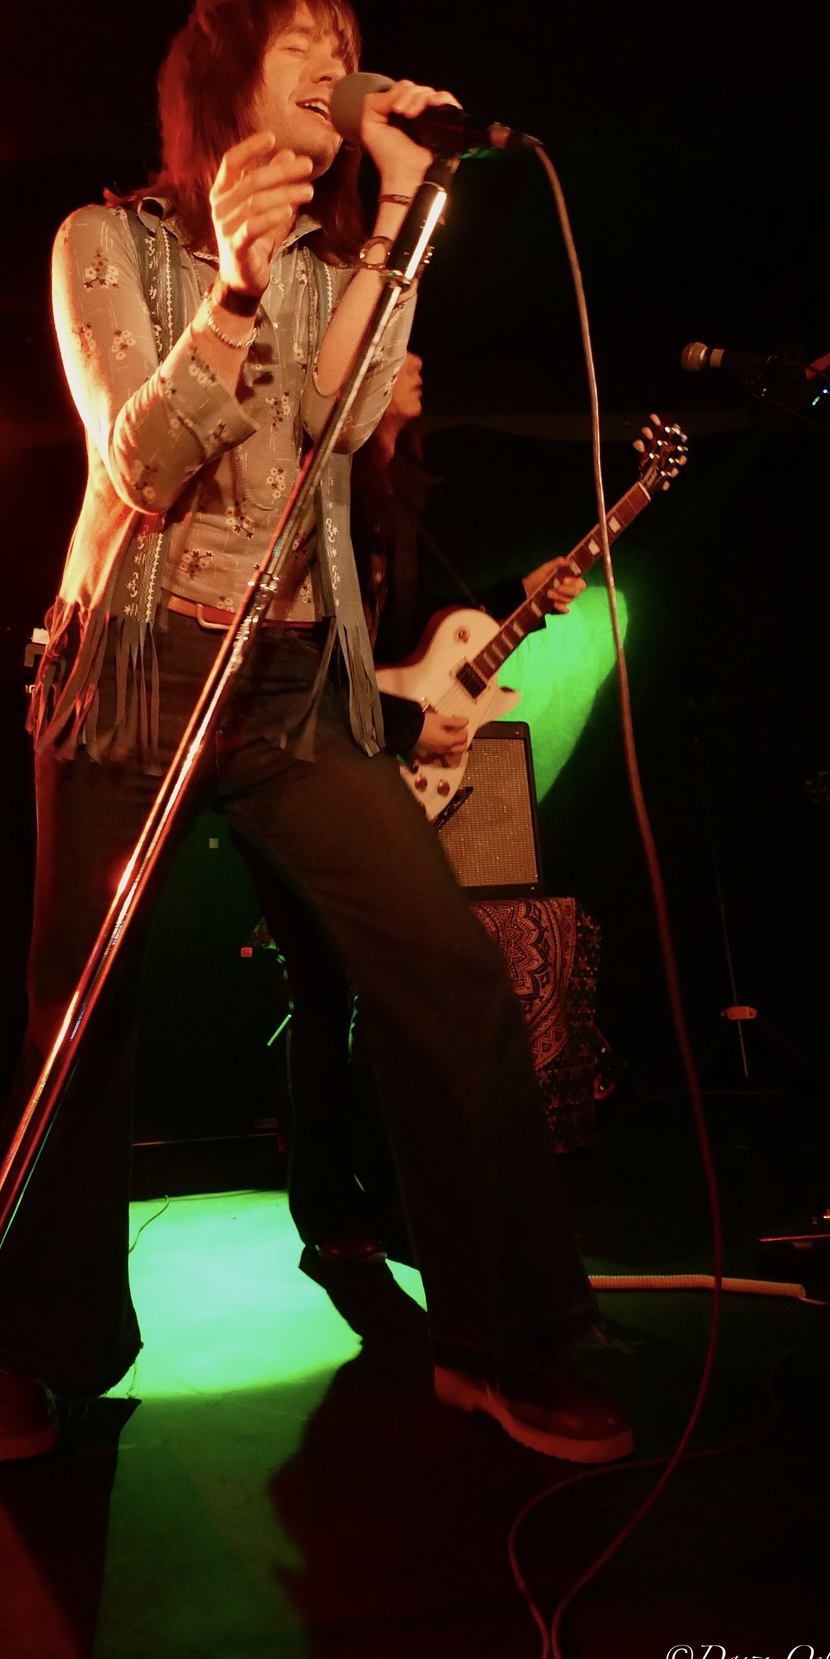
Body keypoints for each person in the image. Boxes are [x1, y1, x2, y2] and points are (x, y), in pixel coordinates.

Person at [0, 0, 631, 1469]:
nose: (337, 65)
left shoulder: (337, 262)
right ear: (226, 84)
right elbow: (142, 465)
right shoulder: (102, 244)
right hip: (133, 673)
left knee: (446, 973)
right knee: (80, 1015)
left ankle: (501, 1339)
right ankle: (33, 1352)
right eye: (303, 47)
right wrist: (234, 288)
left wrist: (396, 212)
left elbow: (333, 432)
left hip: (291, 685)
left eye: (348, 45)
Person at [265, 349, 586, 1269]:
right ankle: (332, 1207)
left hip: (355, 754)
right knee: (327, 991)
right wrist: (408, 726)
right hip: (289, 760)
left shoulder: (394, 496)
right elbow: (296, 658)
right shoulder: (318, 487)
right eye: (396, 346)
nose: (416, 359)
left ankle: (382, 1197)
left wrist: (517, 596)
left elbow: (404, 637)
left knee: (366, 990)